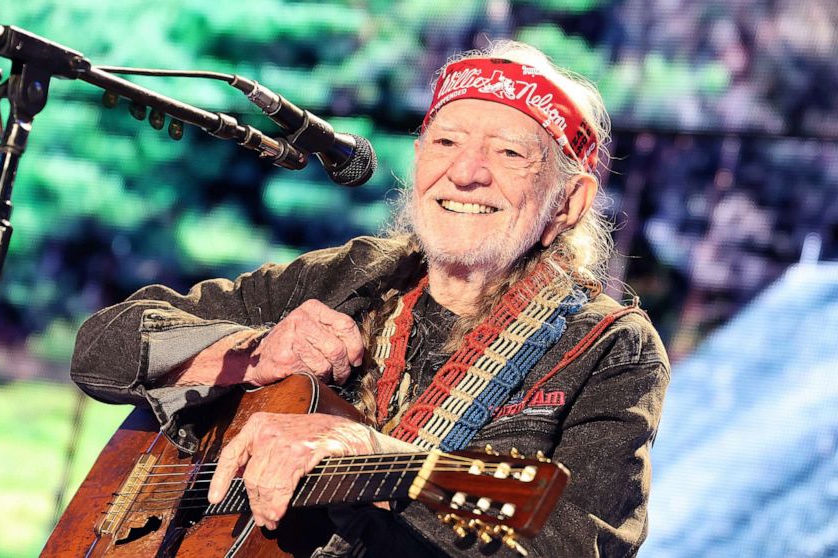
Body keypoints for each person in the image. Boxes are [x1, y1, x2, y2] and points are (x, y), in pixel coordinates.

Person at [71, 40, 670, 557]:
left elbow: (578, 545)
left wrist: (375, 462)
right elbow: (101, 348)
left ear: (567, 203)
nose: (465, 172)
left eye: (510, 154)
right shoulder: (350, 276)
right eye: (446, 142)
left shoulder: (611, 347)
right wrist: (256, 357)